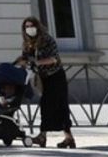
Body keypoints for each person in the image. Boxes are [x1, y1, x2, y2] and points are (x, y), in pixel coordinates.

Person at [18, 16, 76, 148]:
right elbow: (24, 58)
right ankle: (45, 136)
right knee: (46, 105)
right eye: (26, 27)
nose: (29, 29)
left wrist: (37, 62)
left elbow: (54, 58)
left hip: (55, 76)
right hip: (43, 78)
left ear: (37, 27)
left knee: (60, 106)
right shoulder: (27, 43)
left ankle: (66, 137)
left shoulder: (47, 40)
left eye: (31, 26)